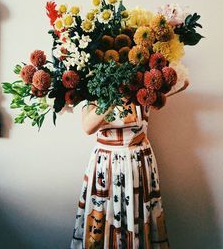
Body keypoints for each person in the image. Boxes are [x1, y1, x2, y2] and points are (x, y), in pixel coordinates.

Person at [70, 79, 189, 249]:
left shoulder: (143, 79)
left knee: (140, 221)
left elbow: (183, 82)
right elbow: (87, 127)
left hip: (138, 162)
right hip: (106, 164)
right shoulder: (92, 85)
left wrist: (149, 79)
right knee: (101, 222)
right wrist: (114, 93)